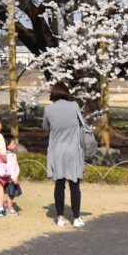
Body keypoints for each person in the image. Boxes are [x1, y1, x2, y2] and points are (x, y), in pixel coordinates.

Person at [43, 82, 86, 228]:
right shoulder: (74, 106)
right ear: (66, 92)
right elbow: (82, 124)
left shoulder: (48, 109)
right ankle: (76, 217)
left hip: (57, 150)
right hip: (73, 149)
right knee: (74, 185)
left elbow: (45, 127)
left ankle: (60, 217)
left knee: (59, 185)